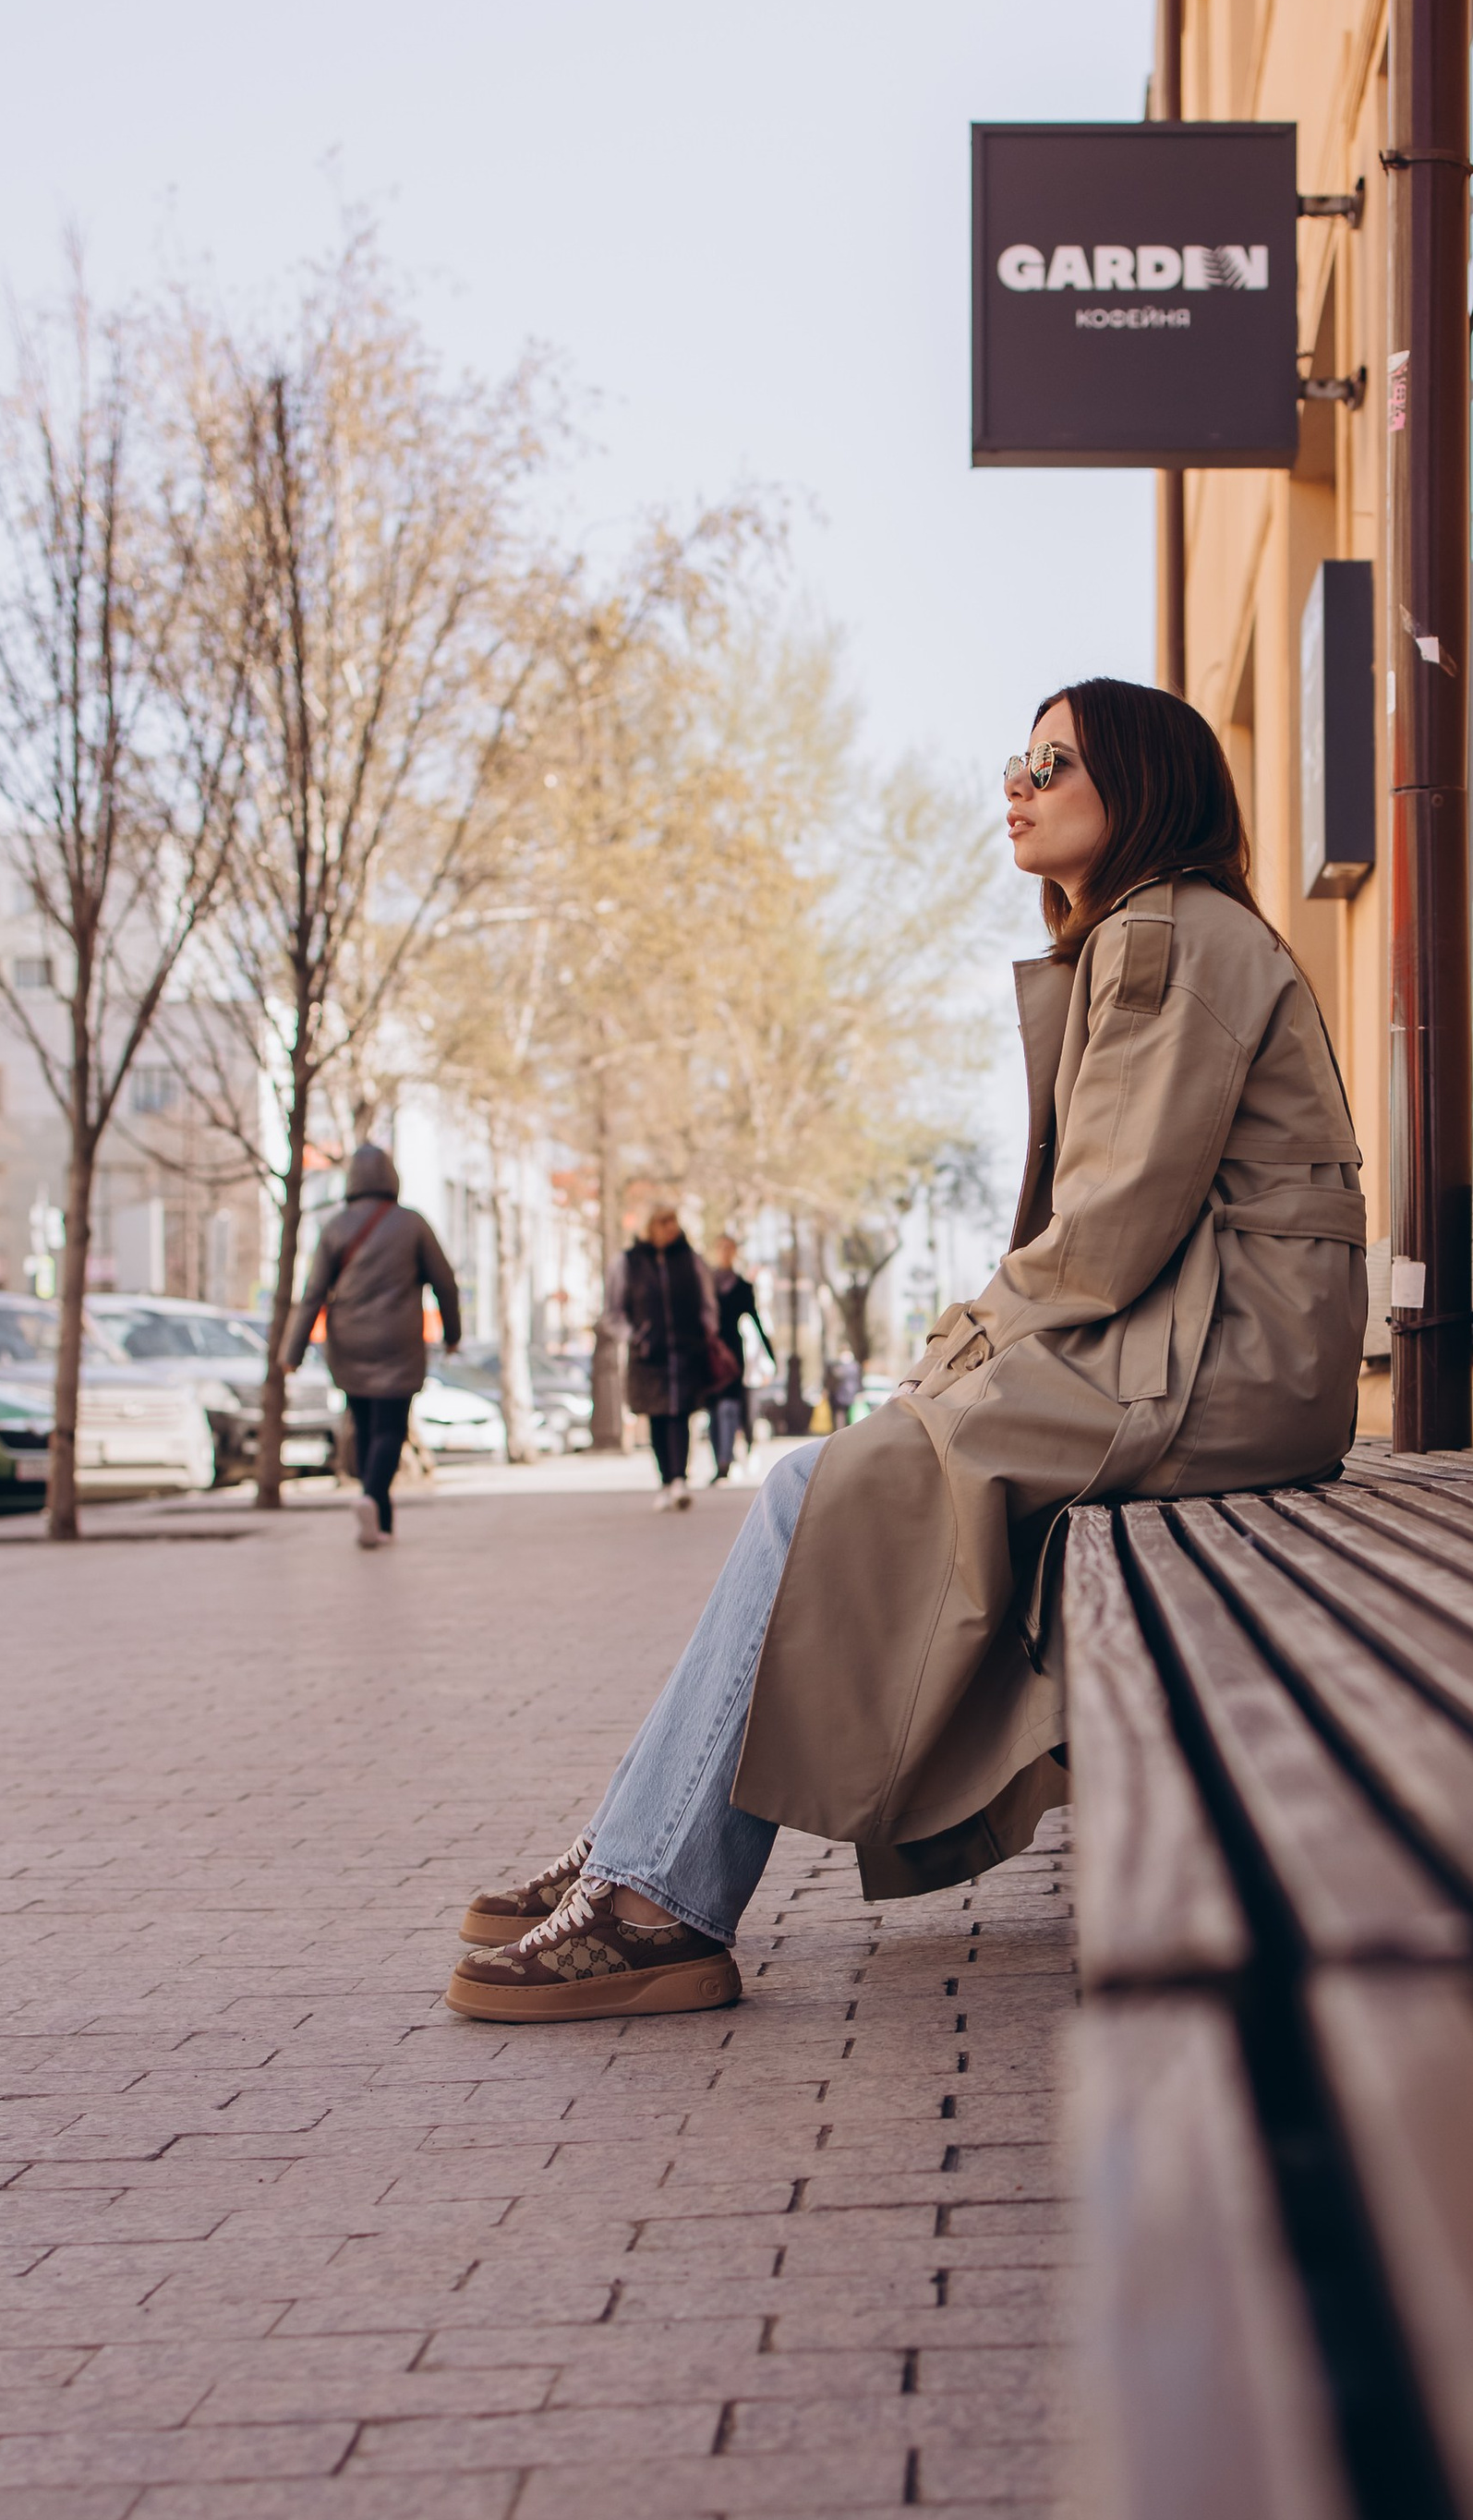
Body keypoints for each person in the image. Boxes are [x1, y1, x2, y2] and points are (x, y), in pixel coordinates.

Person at [447, 678, 1365, 2019]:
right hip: (1204, 1346)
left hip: (1221, 1364)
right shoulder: (1149, 934)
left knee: (826, 1484)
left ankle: (661, 1891)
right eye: (1020, 758)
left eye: (1055, 762)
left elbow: (1107, 1233)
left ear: (1143, 790)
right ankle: (645, 1851)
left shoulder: (1168, 931)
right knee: (823, 1479)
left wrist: (952, 1354)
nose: (1021, 783)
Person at [285, 1145, 462, 1551]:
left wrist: (291, 1353)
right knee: (390, 1427)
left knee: (364, 1423)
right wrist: (452, 1334)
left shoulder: (336, 1226)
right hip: (397, 1340)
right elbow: (445, 1283)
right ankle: (372, 1499)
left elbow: (313, 1294)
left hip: (348, 1339)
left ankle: (379, 1521)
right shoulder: (412, 1224)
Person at [616, 1203, 733, 1510]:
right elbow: (614, 1310)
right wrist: (635, 1336)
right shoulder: (630, 1263)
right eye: (663, 1223)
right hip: (649, 1354)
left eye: (673, 1223)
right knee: (657, 1417)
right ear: (651, 1226)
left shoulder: (690, 1260)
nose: (670, 1229)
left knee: (681, 1414)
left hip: (685, 1349)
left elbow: (708, 1303)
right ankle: (665, 1481)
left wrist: (706, 1333)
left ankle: (680, 1479)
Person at [704, 1234, 773, 1481]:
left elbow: (755, 1320)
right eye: (720, 1248)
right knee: (714, 1409)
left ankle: (725, 1461)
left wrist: (770, 1354)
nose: (724, 1253)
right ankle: (719, 1460)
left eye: (729, 1249)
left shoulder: (743, 1287)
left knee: (729, 1408)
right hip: (708, 1354)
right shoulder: (705, 1285)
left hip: (733, 1355)